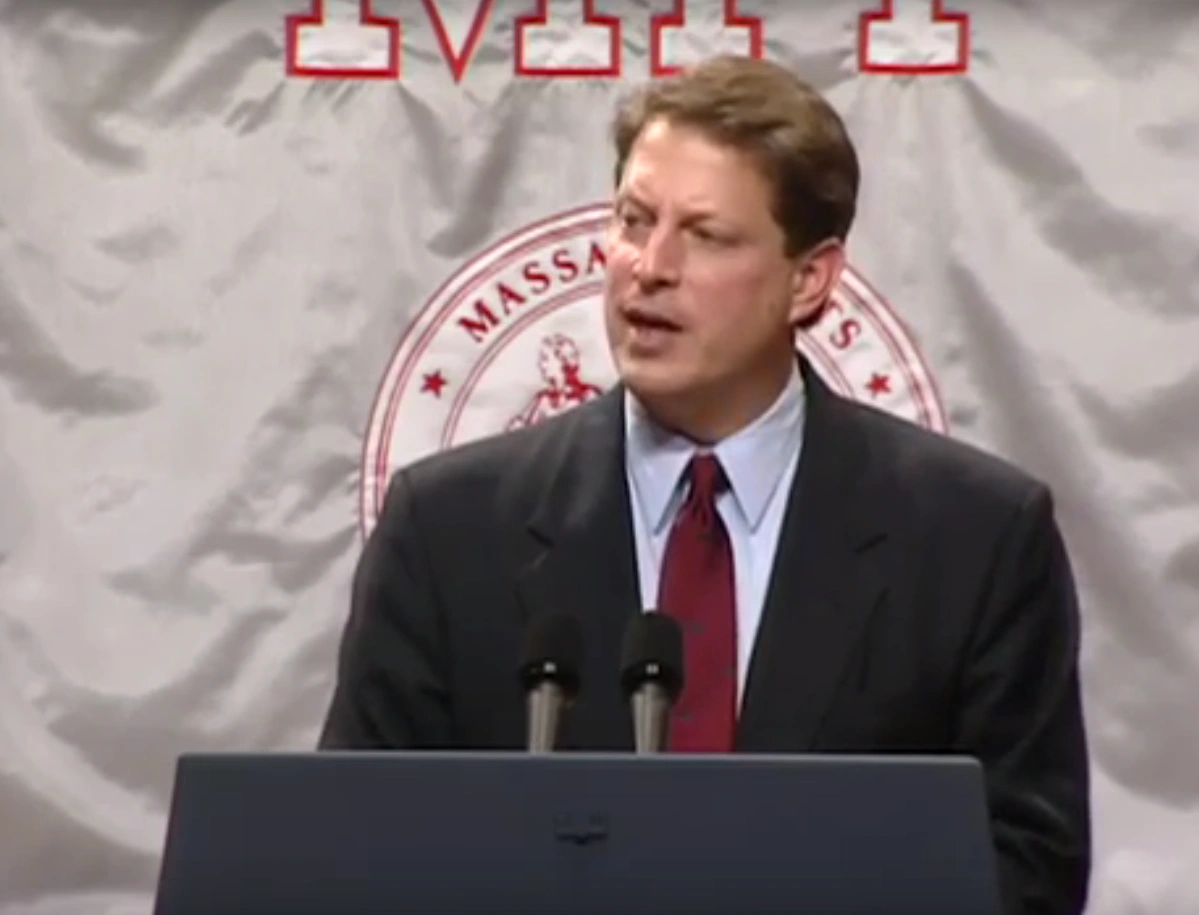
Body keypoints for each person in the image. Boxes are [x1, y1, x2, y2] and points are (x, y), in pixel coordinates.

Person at [319, 54, 1090, 915]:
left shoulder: (974, 539)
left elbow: (1024, 877)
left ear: (810, 279)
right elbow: (354, 855)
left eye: (706, 235)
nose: (649, 266)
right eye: (633, 220)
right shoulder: (446, 529)